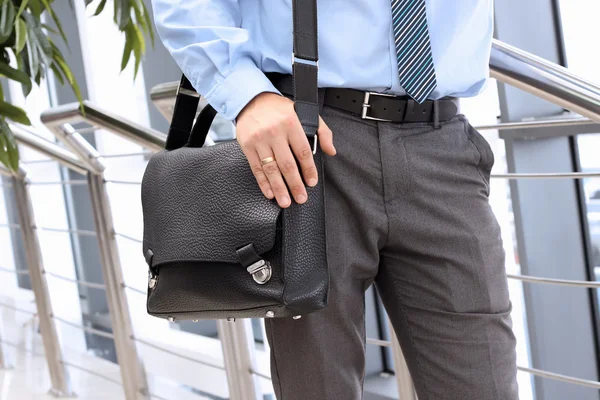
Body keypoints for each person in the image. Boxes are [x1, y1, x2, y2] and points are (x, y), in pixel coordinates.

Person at [150, 1, 519, 399]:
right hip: (304, 140)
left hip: (441, 143)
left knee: (483, 383)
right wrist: (248, 95)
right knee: (318, 386)